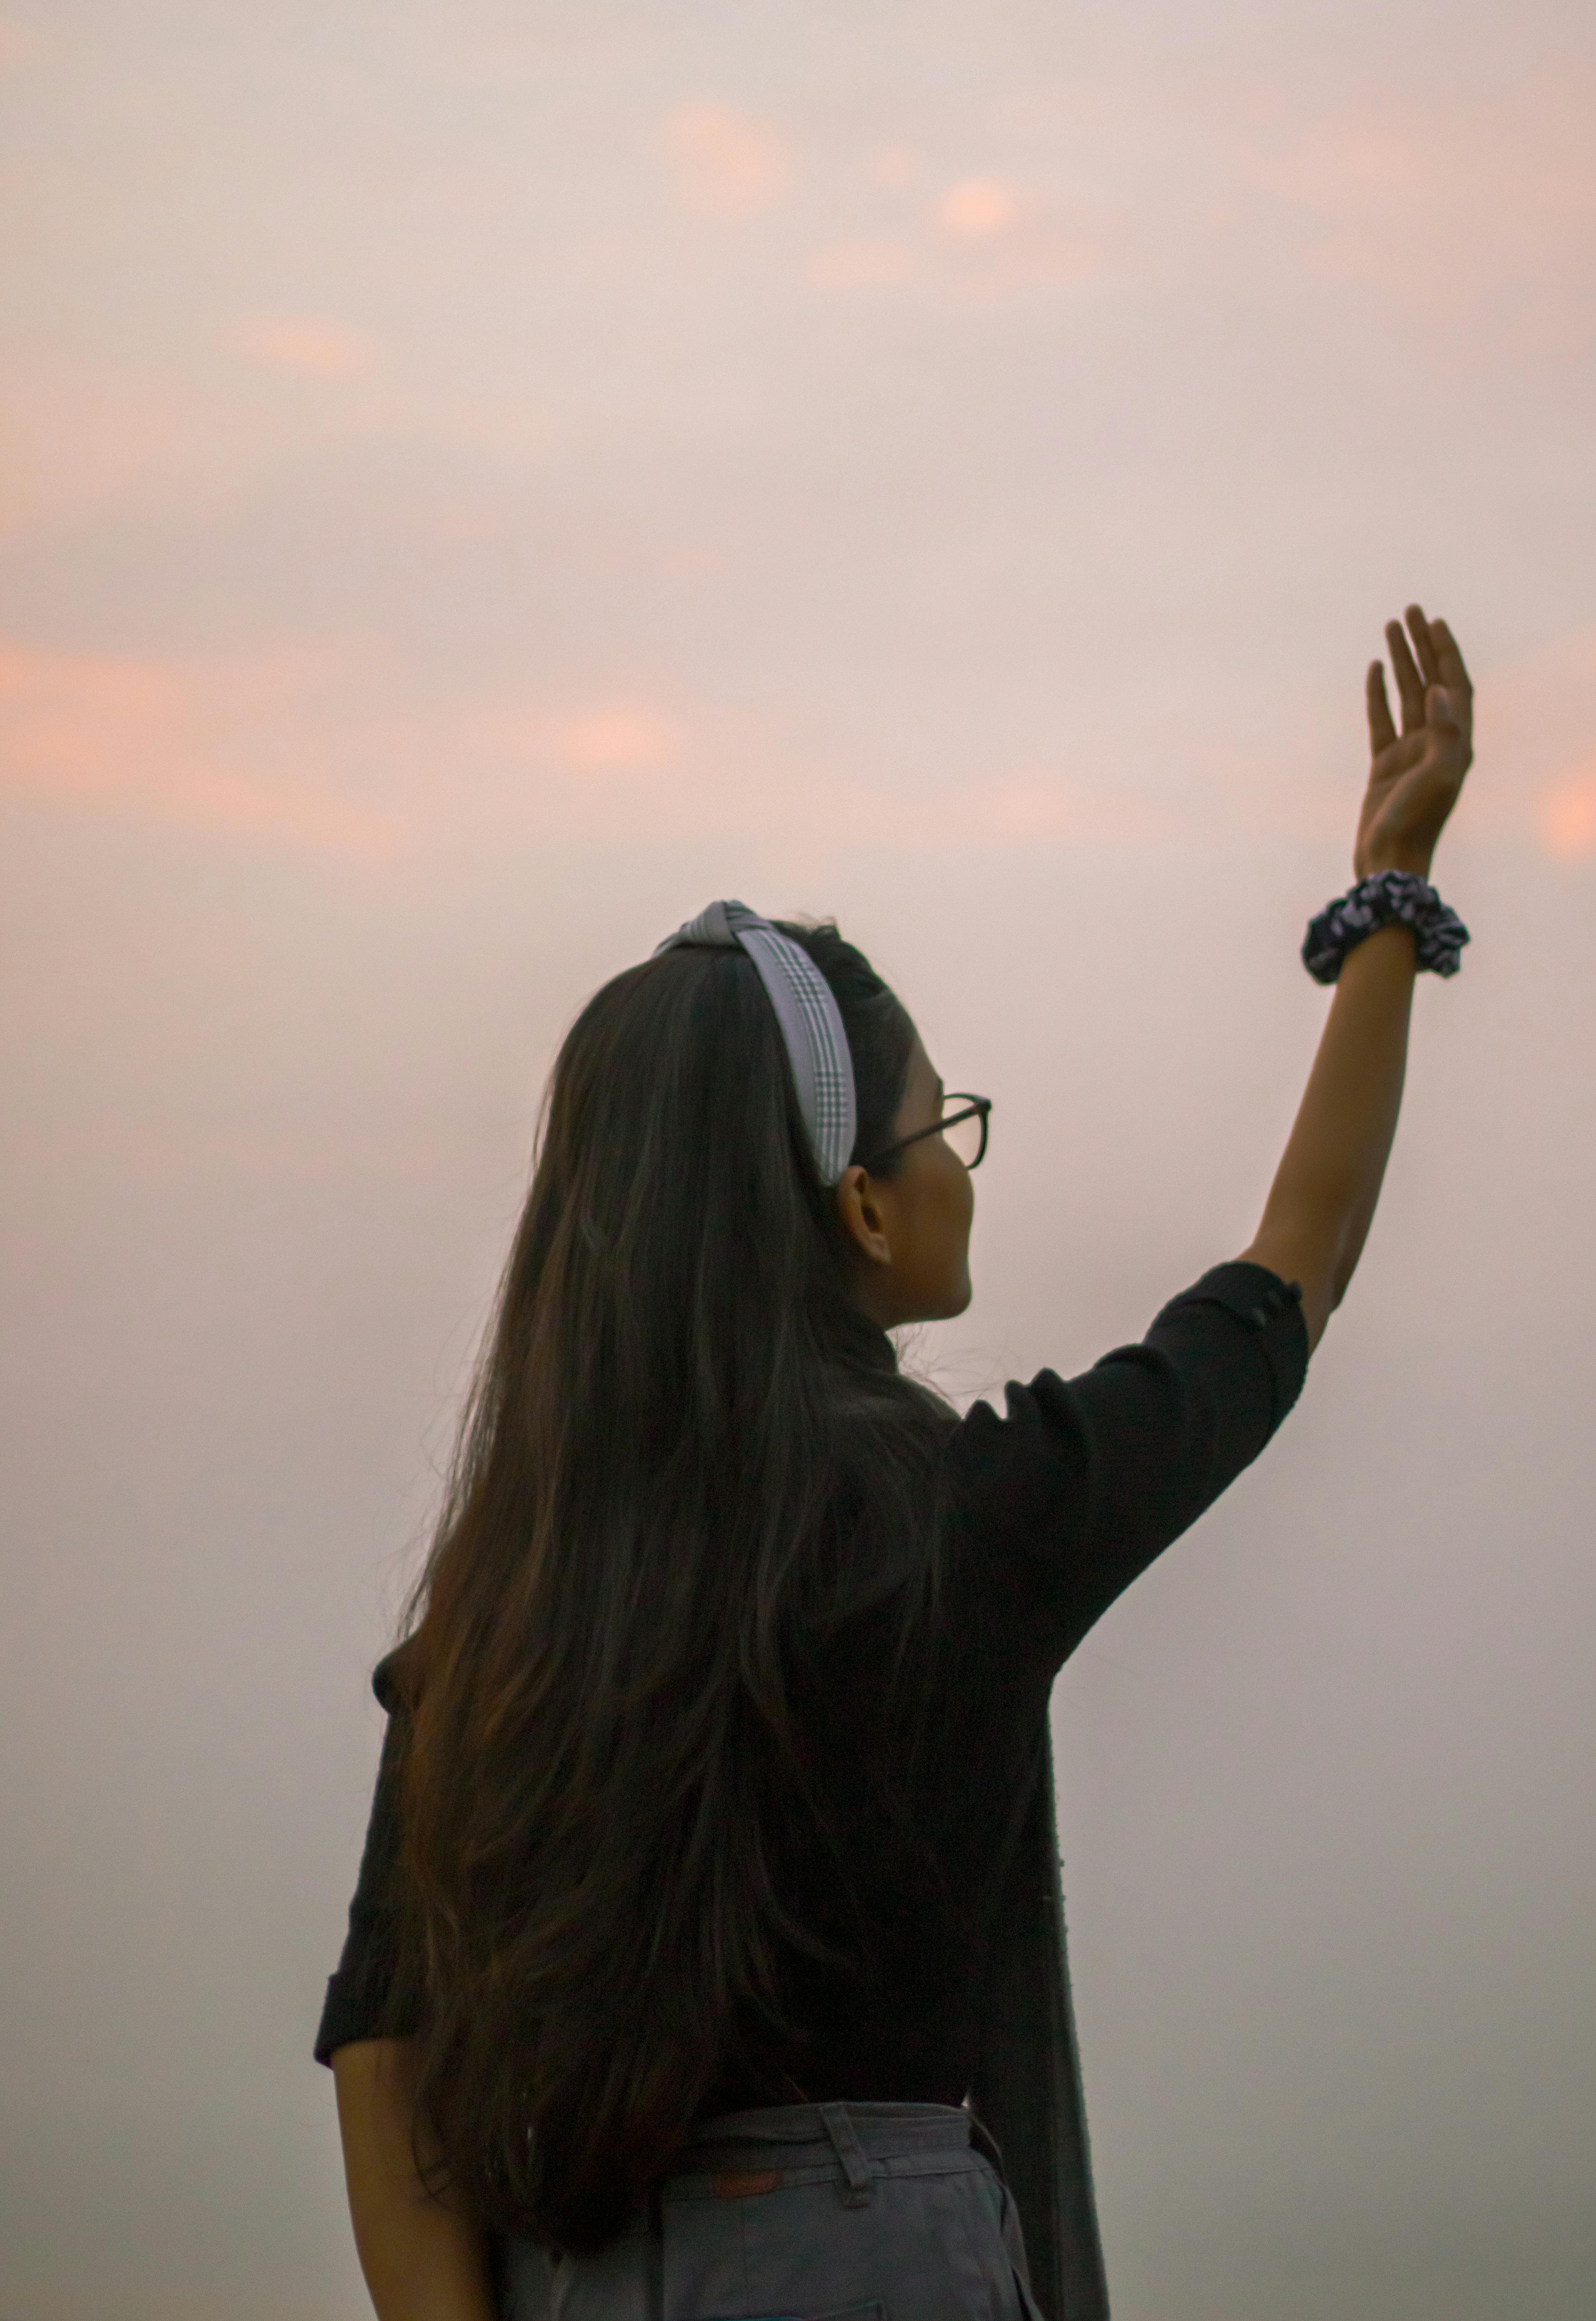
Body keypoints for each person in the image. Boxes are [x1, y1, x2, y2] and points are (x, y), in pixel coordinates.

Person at [317, 606, 1476, 2320]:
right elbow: (1283, 1284)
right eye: (943, 1127)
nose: (960, 1166)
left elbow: (385, 2053)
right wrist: (1388, 901)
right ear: (858, 1203)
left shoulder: (506, 1609)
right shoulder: (961, 1525)